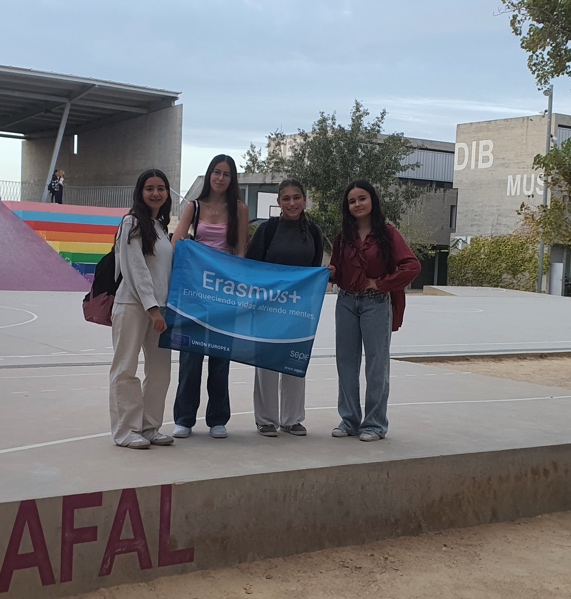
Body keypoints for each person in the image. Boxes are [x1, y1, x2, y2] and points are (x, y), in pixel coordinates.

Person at [327, 180, 421, 442]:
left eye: (362, 199)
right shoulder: (343, 236)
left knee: (376, 365)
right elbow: (338, 268)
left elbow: (412, 266)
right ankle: (349, 420)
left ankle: (375, 424)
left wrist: (381, 284)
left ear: (372, 201)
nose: (357, 204)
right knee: (346, 363)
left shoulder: (388, 234)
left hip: (375, 304)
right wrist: (330, 272)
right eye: (352, 201)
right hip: (345, 303)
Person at [171, 154, 249, 439]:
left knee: (220, 357)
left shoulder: (239, 208)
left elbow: (241, 250)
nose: (220, 178)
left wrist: (233, 284)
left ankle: (218, 418)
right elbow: (177, 242)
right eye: (216, 172)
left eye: (226, 174)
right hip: (194, 291)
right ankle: (184, 418)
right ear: (209, 175)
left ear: (232, 179)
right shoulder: (193, 207)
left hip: (224, 292)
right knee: (190, 357)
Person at [244, 179, 324, 437]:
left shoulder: (313, 232)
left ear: (304, 200)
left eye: (297, 197)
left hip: (299, 310)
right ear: (278, 202)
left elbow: (314, 271)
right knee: (266, 365)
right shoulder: (267, 230)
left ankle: (292, 419)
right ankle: (266, 420)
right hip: (267, 308)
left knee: (294, 362)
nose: (292, 203)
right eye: (286, 198)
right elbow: (250, 267)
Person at [108, 169, 176, 450]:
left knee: (160, 371)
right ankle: (126, 431)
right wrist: (151, 308)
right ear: (140, 192)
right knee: (126, 368)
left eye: (161, 188)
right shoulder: (131, 223)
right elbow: (134, 268)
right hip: (134, 306)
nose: (156, 193)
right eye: (150, 188)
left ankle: (149, 426)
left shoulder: (160, 226)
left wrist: (163, 307)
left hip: (160, 309)